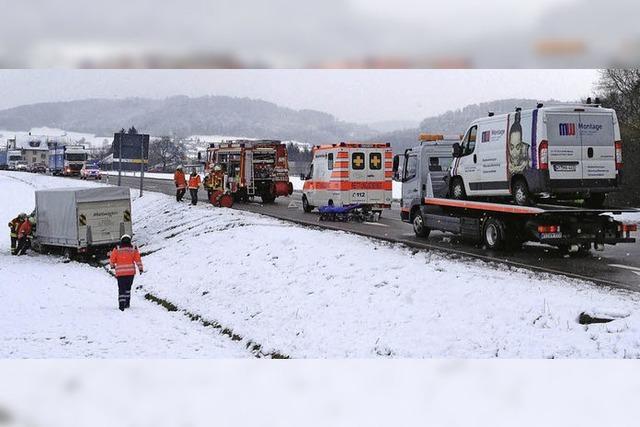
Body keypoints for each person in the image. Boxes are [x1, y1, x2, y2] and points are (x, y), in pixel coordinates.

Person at [109, 234, 144, 311]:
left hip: (120, 273)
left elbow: (112, 259)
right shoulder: (133, 248)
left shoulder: (117, 248)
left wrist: (112, 266)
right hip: (130, 273)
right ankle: (127, 303)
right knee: (128, 288)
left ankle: (121, 305)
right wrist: (140, 268)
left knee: (121, 288)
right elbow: (138, 259)